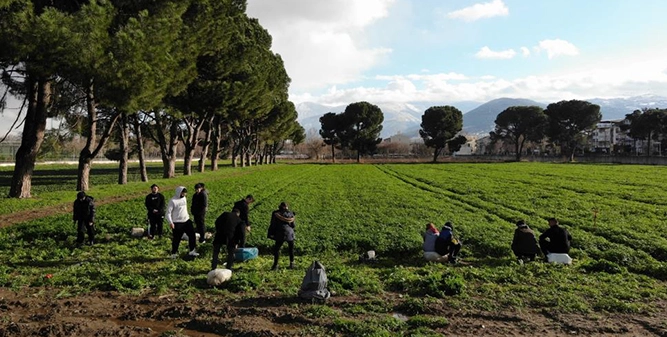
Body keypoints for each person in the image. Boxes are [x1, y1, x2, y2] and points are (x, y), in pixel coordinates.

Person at [166, 186, 198, 258]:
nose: (184, 194)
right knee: (177, 238)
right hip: (177, 223)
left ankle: (192, 251)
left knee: (192, 235)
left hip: (186, 220)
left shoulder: (184, 198)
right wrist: (171, 222)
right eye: (183, 193)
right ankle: (174, 253)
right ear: (179, 192)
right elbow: (168, 213)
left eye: (185, 193)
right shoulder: (173, 201)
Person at [268, 202, 296, 270]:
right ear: (287, 207)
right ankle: (292, 263)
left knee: (277, 249)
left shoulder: (275, 213)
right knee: (291, 249)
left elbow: (273, 223)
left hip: (280, 232)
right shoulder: (291, 213)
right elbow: (293, 225)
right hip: (290, 233)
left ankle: (275, 265)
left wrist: (271, 233)